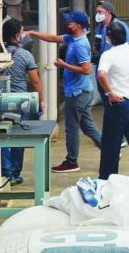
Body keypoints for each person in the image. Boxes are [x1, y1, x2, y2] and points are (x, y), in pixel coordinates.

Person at [26, 11, 102, 173]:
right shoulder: (72, 38)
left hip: (78, 93)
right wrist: (33, 33)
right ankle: (111, 150)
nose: (67, 24)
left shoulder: (81, 44)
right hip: (80, 91)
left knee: (72, 128)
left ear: (78, 26)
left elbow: (86, 69)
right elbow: (53, 38)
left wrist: (64, 65)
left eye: (70, 22)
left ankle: (71, 161)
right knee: (87, 125)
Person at [97, 21, 129, 180]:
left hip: (118, 102)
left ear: (109, 37)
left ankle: (107, 181)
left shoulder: (108, 54)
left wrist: (110, 93)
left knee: (111, 145)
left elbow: (101, 74)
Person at [0, 19, 44, 184]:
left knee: (0, 137)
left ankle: (6, 172)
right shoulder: (26, 55)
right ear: (17, 35)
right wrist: (41, 101)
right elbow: (35, 81)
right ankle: (15, 174)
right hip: (20, 102)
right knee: (18, 137)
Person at [93, 1, 129, 110]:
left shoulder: (120, 26)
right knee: (105, 96)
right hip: (101, 68)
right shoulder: (99, 28)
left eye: (100, 12)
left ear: (108, 12)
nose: (97, 14)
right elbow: (97, 45)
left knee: (116, 98)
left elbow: (128, 46)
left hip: (115, 70)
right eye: (97, 12)